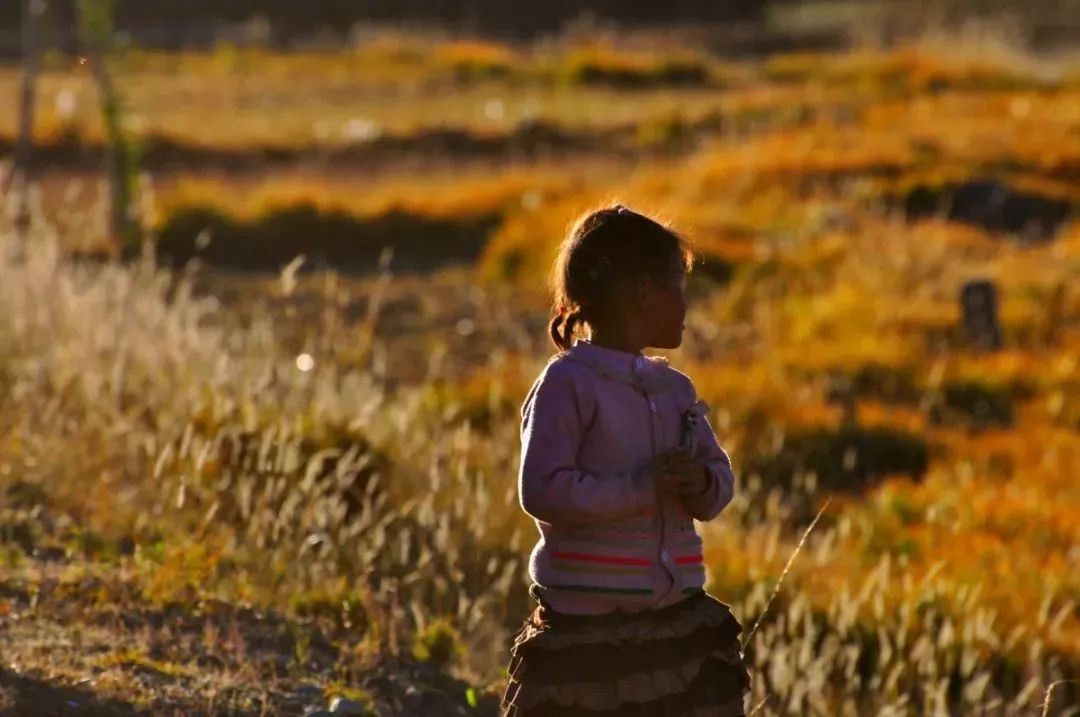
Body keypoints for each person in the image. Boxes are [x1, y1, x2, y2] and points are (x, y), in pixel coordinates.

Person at [499, 204, 752, 716]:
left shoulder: (675, 389)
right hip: (587, 632)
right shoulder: (567, 384)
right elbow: (543, 490)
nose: (686, 303)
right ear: (642, 293)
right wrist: (643, 487)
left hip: (677, 621)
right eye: (678, 287)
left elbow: (718, 482)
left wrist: (696, 481)